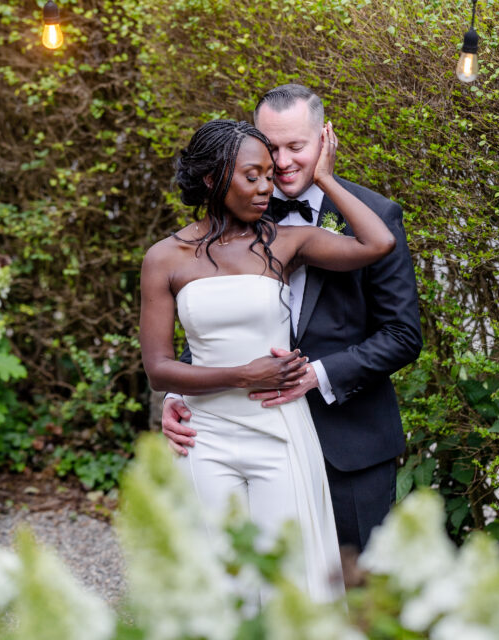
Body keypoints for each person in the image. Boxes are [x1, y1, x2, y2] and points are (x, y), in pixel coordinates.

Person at [140, 116, 396, 601]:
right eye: (251, 176)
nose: (266, 188)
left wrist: (325, 178)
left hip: (278, 431)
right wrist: (242, 375)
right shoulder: (165, 258)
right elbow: (159, 368)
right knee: (219, 580)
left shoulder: (285, 242)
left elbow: (377, 243)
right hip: (205, 437)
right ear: (214, 180)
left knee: (288, 579)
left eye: (268, 177)